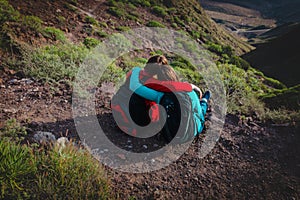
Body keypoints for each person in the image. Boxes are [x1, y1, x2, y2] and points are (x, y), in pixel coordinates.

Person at [111, 55, 210, 142]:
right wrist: (189, 86)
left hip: (119, 109)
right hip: (191, 129)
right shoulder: (186, 92)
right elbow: (167, 86)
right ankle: (205, 100)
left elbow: (137, 85)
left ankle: (204, 101)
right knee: (200, 110)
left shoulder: (140, 76)